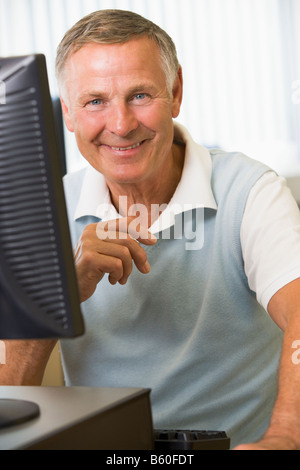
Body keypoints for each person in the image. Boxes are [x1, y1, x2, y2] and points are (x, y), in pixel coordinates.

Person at [1, 9, 300, 450]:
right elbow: (11, 398)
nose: (121, 125)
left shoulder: (250, 189)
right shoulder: (46, 213)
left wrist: (285, 438)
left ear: (176, 92)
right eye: (95, 101)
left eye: (140, 94)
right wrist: (58, 299)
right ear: (67, 112)